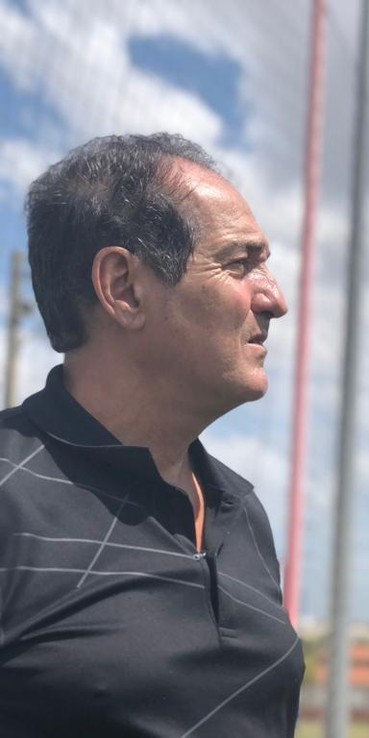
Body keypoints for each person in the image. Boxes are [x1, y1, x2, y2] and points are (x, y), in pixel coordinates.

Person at [0, 133, 304, 736]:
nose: (275, 299)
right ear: (124, 288)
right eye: (239, 263)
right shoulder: (11, 496)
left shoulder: (239, 509)